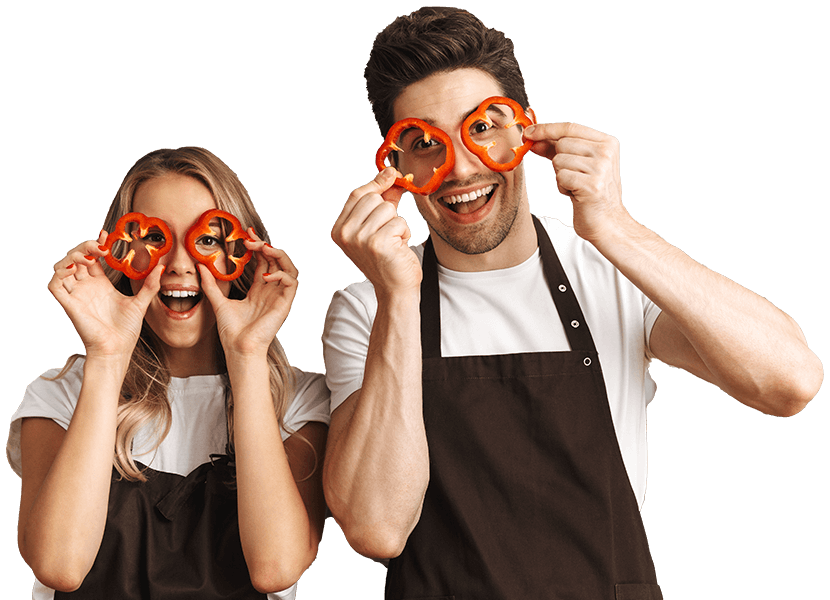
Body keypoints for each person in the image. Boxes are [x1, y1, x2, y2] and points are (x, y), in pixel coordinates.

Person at [322, 7, 823, 600]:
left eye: (482, 127)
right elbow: (376, 528)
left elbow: (789, 382)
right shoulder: (367, 309)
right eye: (425, 142)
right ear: (395, 168)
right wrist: (399, 293)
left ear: (526, 132)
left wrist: (614, 227)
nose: (459, 167)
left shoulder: (608, 270)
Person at [9, 147, 330, 599]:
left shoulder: (301, 399)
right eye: (153, 239)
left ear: (247, 253)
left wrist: (247, 355)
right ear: (117, 254)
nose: (179, 265)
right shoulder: (59, 394)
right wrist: (106, 356)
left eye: (209, 238)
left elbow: (275, 568)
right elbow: (59, 566)